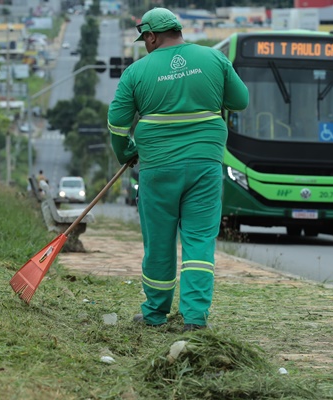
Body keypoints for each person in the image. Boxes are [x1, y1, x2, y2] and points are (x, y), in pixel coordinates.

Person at [107, 8, 249, 332]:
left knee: (159, 242)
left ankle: (155, 314)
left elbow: (117, 125)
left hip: (158, 168)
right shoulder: (214, 59)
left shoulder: (136, 72)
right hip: (205, 166)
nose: (145, 43)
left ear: (152, 36)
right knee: (199, 242)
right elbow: (240, 100)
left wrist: (126, 154)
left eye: (145, 38)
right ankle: (195, 319)